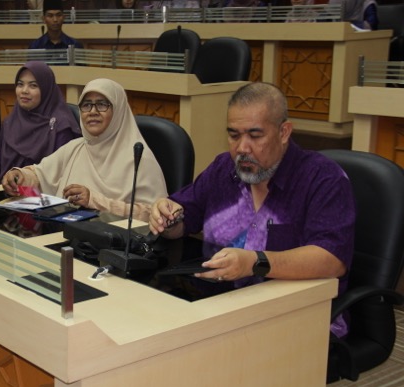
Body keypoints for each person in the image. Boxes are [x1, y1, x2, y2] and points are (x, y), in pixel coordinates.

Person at [148, 82, 355, 338]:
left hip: (297, 319)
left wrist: (255, 263)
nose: (242, 148)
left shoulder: (322, 179)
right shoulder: (223, 169)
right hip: (218, 308)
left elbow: (332, 260)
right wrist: (167, 218)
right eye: (234, 135)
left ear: (284, 132)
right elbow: (183, 220)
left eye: (255, 136)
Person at [1, 78, 167, 221]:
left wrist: (95, 201)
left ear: (118, 110)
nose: (92, 112)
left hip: (114, 244)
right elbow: (40, 174)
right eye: (86, 105)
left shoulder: (139, 159)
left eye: (102, 104)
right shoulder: (77, 147)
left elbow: (153, 215)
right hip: (66, 236)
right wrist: (19, 176)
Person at [0, 61, 81, 180]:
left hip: (45, 190)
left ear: (46, 89)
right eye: (20, 84)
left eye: (33, 86)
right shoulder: (10, 122)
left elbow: (62, 175)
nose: (24, 91)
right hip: (5, 189)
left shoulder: (61, 126)